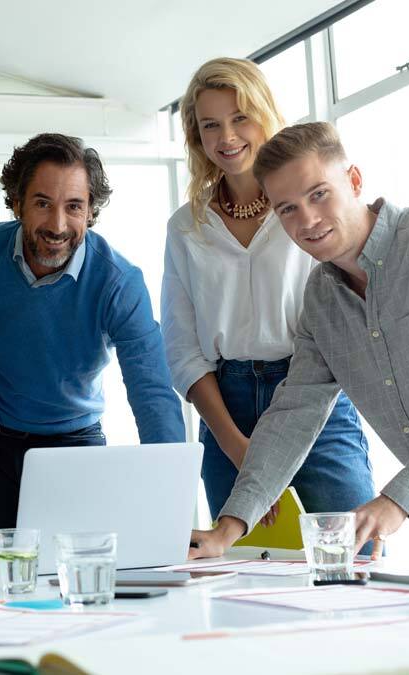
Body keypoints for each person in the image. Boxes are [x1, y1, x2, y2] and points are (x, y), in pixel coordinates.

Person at [190, 121, 409, 561]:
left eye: (319, 194)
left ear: (354, 181)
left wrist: (399, 500)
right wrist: (227, 530)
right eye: (287, 209)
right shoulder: (321, 300)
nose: (307, 221)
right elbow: (293, 413)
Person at [161, 58, 374, 527]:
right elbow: (181, 348)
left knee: (348, 555)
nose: (227, 137)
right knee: (241, 572)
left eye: (240, 117)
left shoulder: (307, 210)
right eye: (210, 125)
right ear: (197, 136)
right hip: (226, 409)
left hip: (316, 394)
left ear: (264, 115)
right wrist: (234, 443)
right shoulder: (185, 227)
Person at [0, 133, 185, 531]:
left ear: (91, 212)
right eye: (43, 203)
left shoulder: (118, 281)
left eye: (74, 207)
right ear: (17, 204)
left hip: (73, 444)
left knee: (77, 573)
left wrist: (170, 498)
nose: (58, 225)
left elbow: (152, 392)